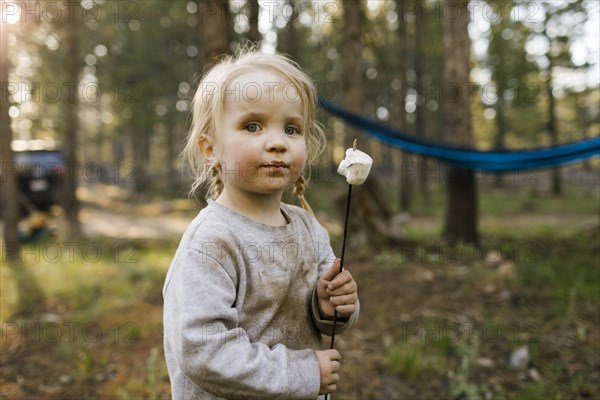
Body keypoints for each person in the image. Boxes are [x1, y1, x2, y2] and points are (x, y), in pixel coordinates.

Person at [163, 48, 360, 400]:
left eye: (291, 128)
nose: (277, 143)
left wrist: (329, 305)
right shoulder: (211, 241)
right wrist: (305, 372)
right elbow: (203, 352)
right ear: (210, 149)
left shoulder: (309, 229)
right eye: (252, 126)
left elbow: (327, 316)